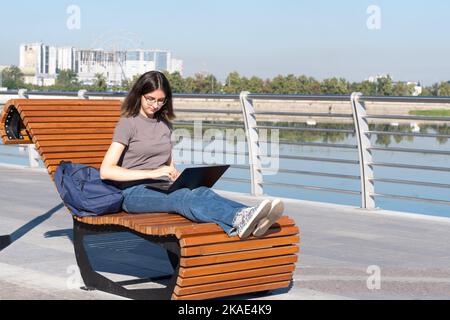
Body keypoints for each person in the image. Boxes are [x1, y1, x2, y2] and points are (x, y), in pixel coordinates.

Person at [100, 71, 284, 239]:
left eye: (160, 100)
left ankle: (250, 215)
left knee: (200, 191)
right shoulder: (128, 124)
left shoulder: (165, 125)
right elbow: (106, 171)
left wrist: (177, 175)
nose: (155, 105)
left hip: (162, 186)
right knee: (183, 199)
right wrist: (152, 173)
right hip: (132, 193)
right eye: (150, 99)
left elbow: (169, 166)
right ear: (139, 94)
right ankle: (239, 217)